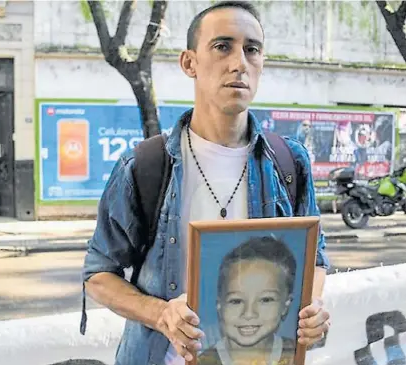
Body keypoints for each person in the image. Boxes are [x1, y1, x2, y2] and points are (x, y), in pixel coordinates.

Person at [81, 2, 331, 365]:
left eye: (252, 49)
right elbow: (98, 274)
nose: (239, 63)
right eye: (222, 46)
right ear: (189, 63)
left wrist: (313, 306)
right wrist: (161, 314)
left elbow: (315, 260)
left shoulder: (289, 163)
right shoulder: (145, 166)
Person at [197, 236, 297, 365]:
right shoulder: (203, 361)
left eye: (265, 300)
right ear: (219, 306)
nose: (249, 314)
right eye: (236, 301)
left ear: (285, 305)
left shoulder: (297, 354)